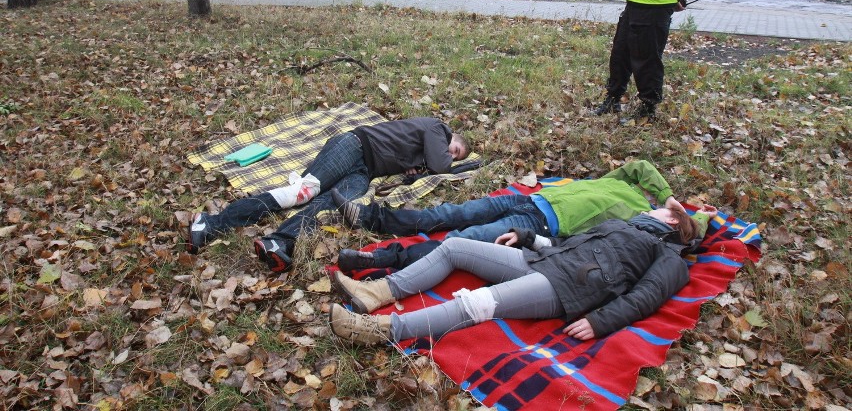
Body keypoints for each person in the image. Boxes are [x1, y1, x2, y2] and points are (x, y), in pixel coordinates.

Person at [328, 208, 702, 346]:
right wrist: (528, 238)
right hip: (544, 262)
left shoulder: (670, 256)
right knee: (456, 246)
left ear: (671, 220)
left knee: (478, 303)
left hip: (567, 288)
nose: (651, 206)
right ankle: (375, 291)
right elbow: (566, 243)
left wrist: (602, 321)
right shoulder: (622, 225)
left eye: (660, 208)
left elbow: (647, 297)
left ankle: (379, 331)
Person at [187, 118, 471, 273]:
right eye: (455, 150)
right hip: (355, 146)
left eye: (456, 156)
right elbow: (441, 165)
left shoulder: (428, 147)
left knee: (328, 205)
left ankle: (279, 241)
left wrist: (414, 169)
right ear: (452, 136)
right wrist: (446, 162)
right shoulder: (438, 128)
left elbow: (429, 163)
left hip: (365, 172)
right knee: (303, 192)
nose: (450, 155)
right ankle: (210, 223)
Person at [332, 160, 711, 272]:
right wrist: (670, 197)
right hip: (528, 200)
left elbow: (690, 238)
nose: (662, 205)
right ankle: (370, 219)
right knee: (451, 212)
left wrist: (700, 218)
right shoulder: (628, 187)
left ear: (672, 221)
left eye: (671, 212)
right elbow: (640, 166)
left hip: (536, 225)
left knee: (458, 241)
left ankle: (378, 259)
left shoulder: (637, 221)